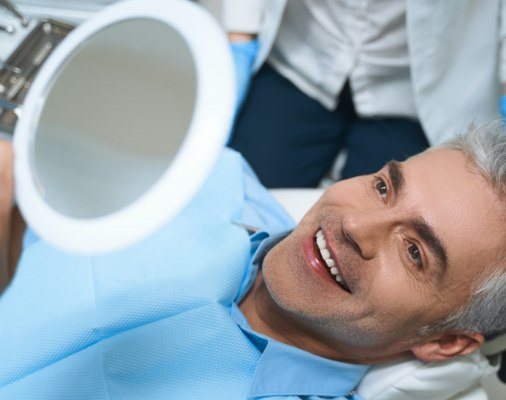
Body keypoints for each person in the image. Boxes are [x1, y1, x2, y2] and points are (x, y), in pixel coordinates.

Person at [0, 121, 505, 399]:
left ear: (446, 342)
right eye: (382, 186)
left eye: (414, 251)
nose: (354, 225)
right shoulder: (204, 177)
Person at [225, 0, 505, 188]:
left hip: (412, 95)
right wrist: (240, 34)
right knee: (238, 201)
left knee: (377, 244)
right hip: (302, 58)